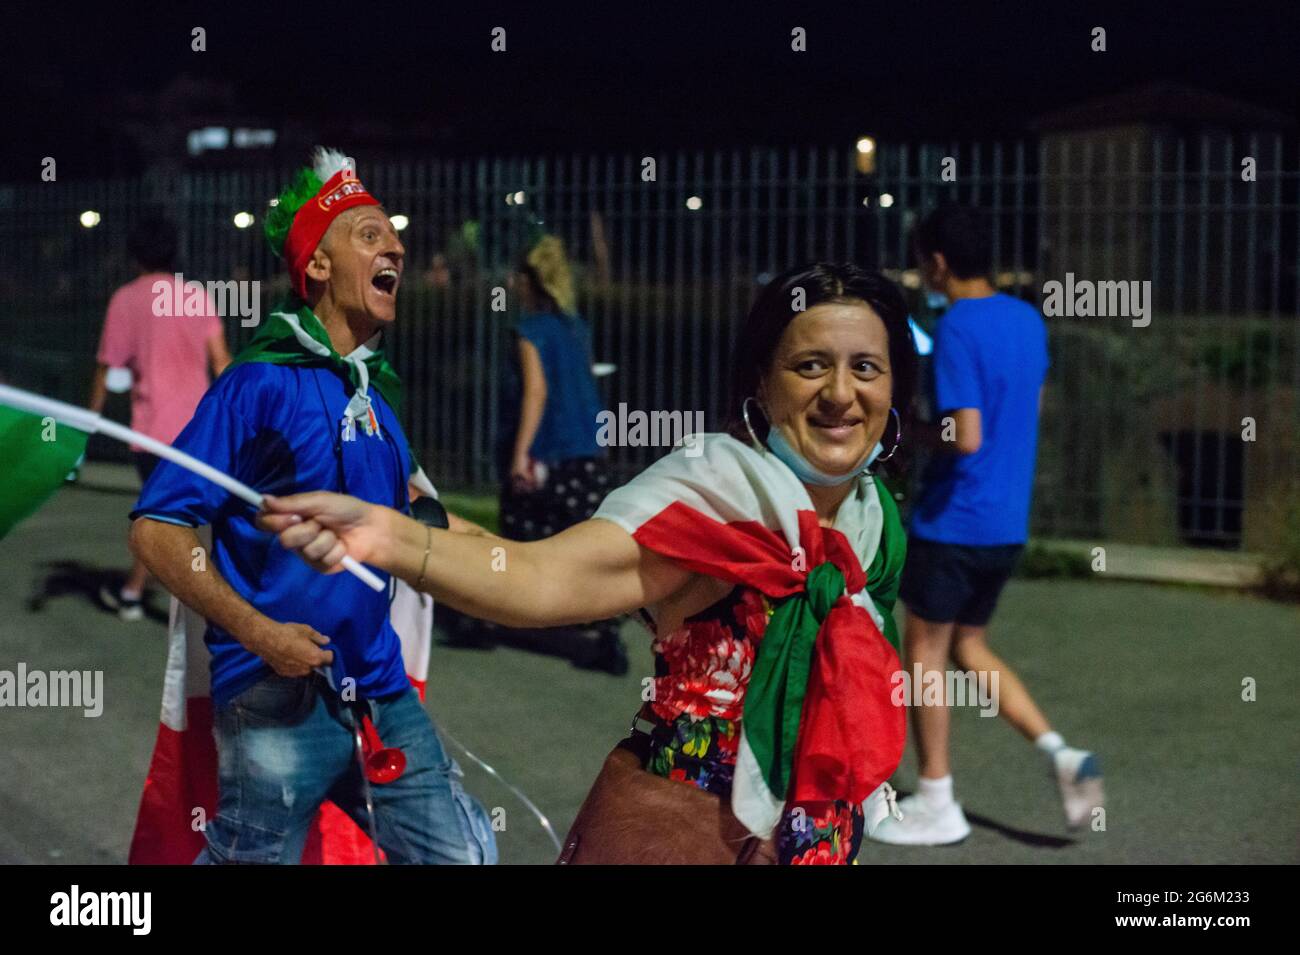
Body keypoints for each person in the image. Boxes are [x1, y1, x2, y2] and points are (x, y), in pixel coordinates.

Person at [260, 263, 917, 865]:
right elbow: (541, 576)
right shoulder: (717, 498)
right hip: (683, 838)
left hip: (820, 842)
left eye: (866, 367)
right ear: (762, 382)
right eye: (809, 365)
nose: (840, 393)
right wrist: (387, 537)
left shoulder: (876, 520)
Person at [129, 148, 495, 864]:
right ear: (318, 266)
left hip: (379, 691)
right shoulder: (258, 384)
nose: (396, 244)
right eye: (369, 234)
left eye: (392, 235)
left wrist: (564, 566)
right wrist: (261, 634)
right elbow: (156, 527)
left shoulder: (376, 396)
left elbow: (423, 521)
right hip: (274, 695)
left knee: (461, 855)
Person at [870, 205, 1104, 846]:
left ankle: (938, 799)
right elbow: (1022, 411)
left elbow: (963, 434)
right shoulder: (1027, 319)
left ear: (938, 262)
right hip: (1005, 524)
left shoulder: (956, 329)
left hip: (954, 523)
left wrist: (902, 433)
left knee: (924, 656)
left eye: (922, 262)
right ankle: (1060, 751)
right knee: (969, 647)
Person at [439, 235, 625, 674]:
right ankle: (604, 635)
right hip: (586, 451)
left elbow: (536, 392)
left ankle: (488, 619)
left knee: (515, 545)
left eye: (517, 277)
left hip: (546, 455)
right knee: (586, 545)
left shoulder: (530, 332)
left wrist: (521, 454)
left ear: (529, 281)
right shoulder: (577, 328)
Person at [90, 214, 231, 620]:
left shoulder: (126, 300)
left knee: (161, 522)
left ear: (135, 255)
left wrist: (88, 421)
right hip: (200, 431)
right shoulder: (195, 297)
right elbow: (221, 363)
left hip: (154, 434)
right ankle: (146, 593)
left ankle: (141, 595)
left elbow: (106, 367)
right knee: (175, 519)